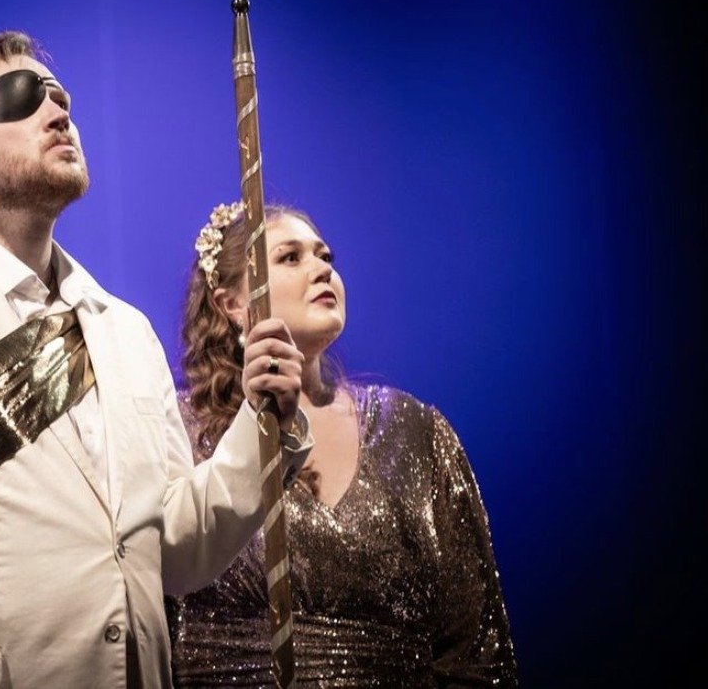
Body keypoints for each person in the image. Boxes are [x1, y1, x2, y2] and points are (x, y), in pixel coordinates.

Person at [0, 31, 315, 689]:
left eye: (61, 97)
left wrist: (259, 422)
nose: (57, 111)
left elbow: (176, 553)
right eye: (20, 98)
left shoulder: (126, 332)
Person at [167, 202, 518, 687]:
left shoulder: (414, 430)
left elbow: (474, 645)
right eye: (290, 257)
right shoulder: (182, 433)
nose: (322, 269)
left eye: (325, 256)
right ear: (232, 303)